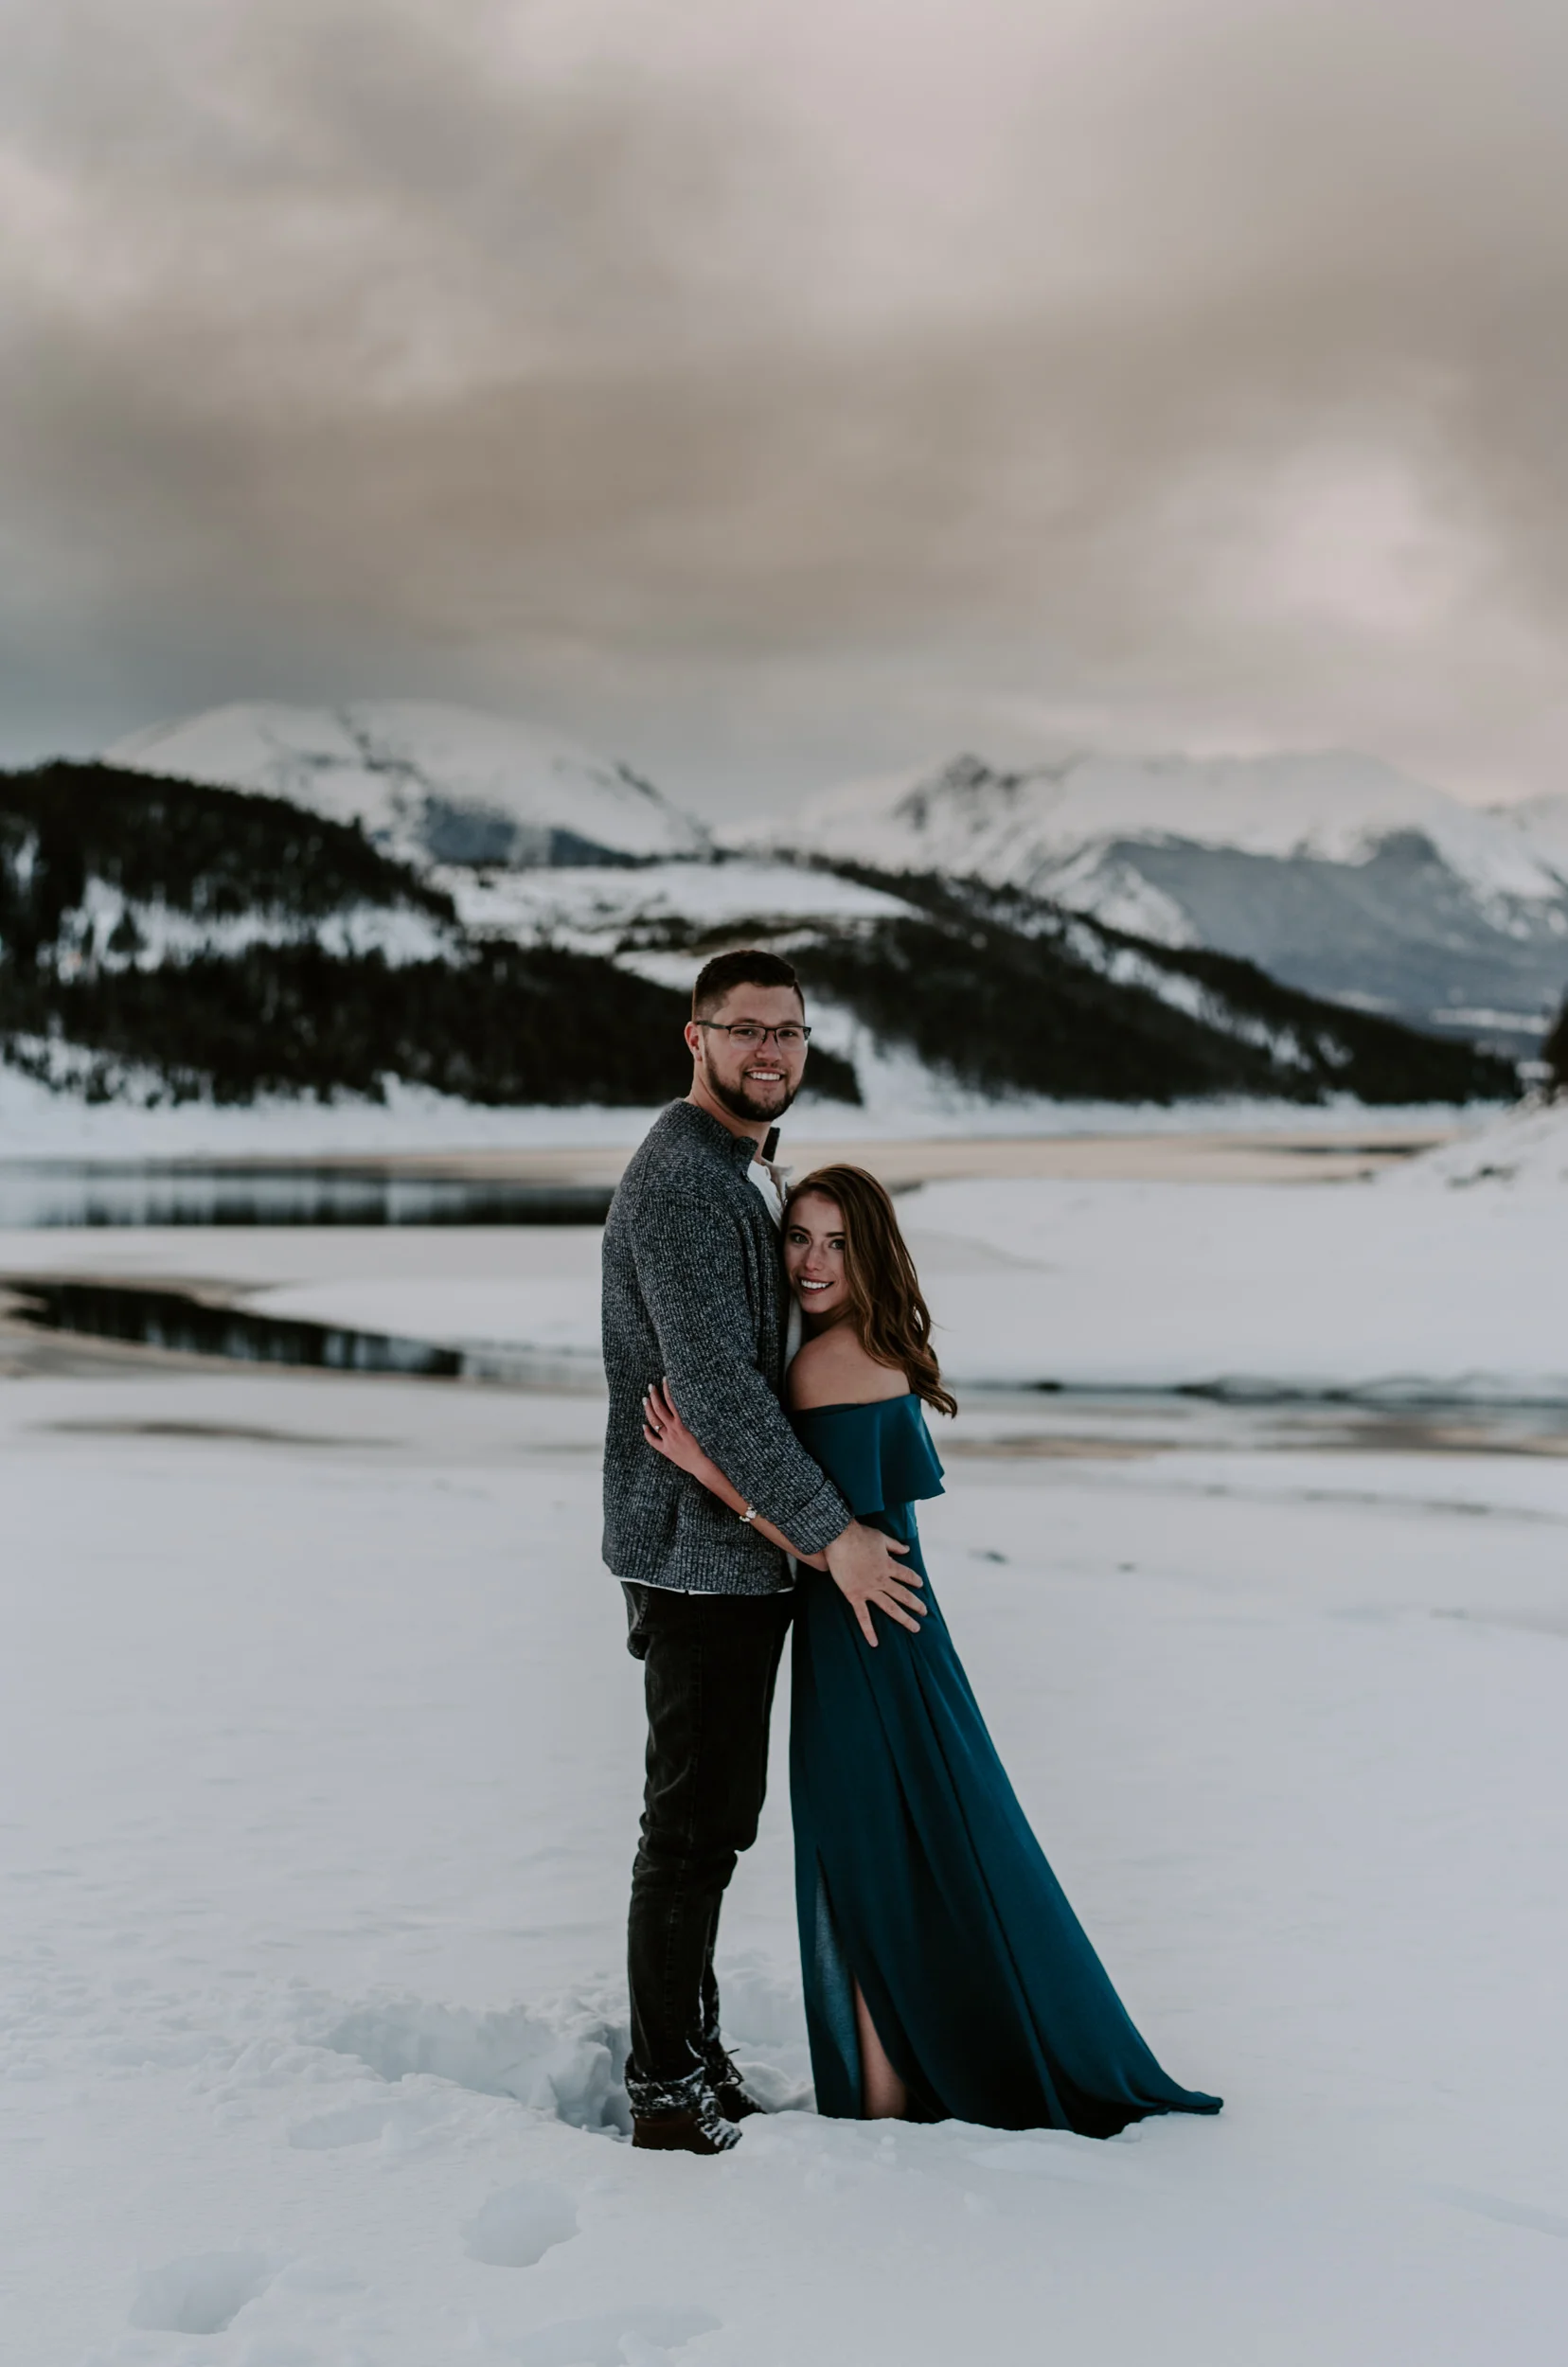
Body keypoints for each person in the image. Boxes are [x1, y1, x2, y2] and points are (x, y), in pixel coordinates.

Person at [643, 1163, 1222, 2134]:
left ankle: (882, 2100)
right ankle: (903, 2082)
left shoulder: (827, 1366)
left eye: (837, 1242)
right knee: (903, 1853)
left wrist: (713, 1467)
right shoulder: (870, 1345)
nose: (814, 1261)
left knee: (866, 1860)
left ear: (871, 1253)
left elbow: (819, 1536)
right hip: (895, 1635)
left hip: (864, 1639)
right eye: (798, 1237)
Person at [601, 951, 924, 2156]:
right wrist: (833, 1534)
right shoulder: (686, 1183)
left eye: (788, 1031)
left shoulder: (731, 1169)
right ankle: (666, 2087)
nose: (772, 1053)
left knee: (711, 1818)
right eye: (746, 1032)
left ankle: (690, 2052)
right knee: (691, 1825)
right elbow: (722, 1396)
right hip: (695, 1553)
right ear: (696, 1039)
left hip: (728, 1544)